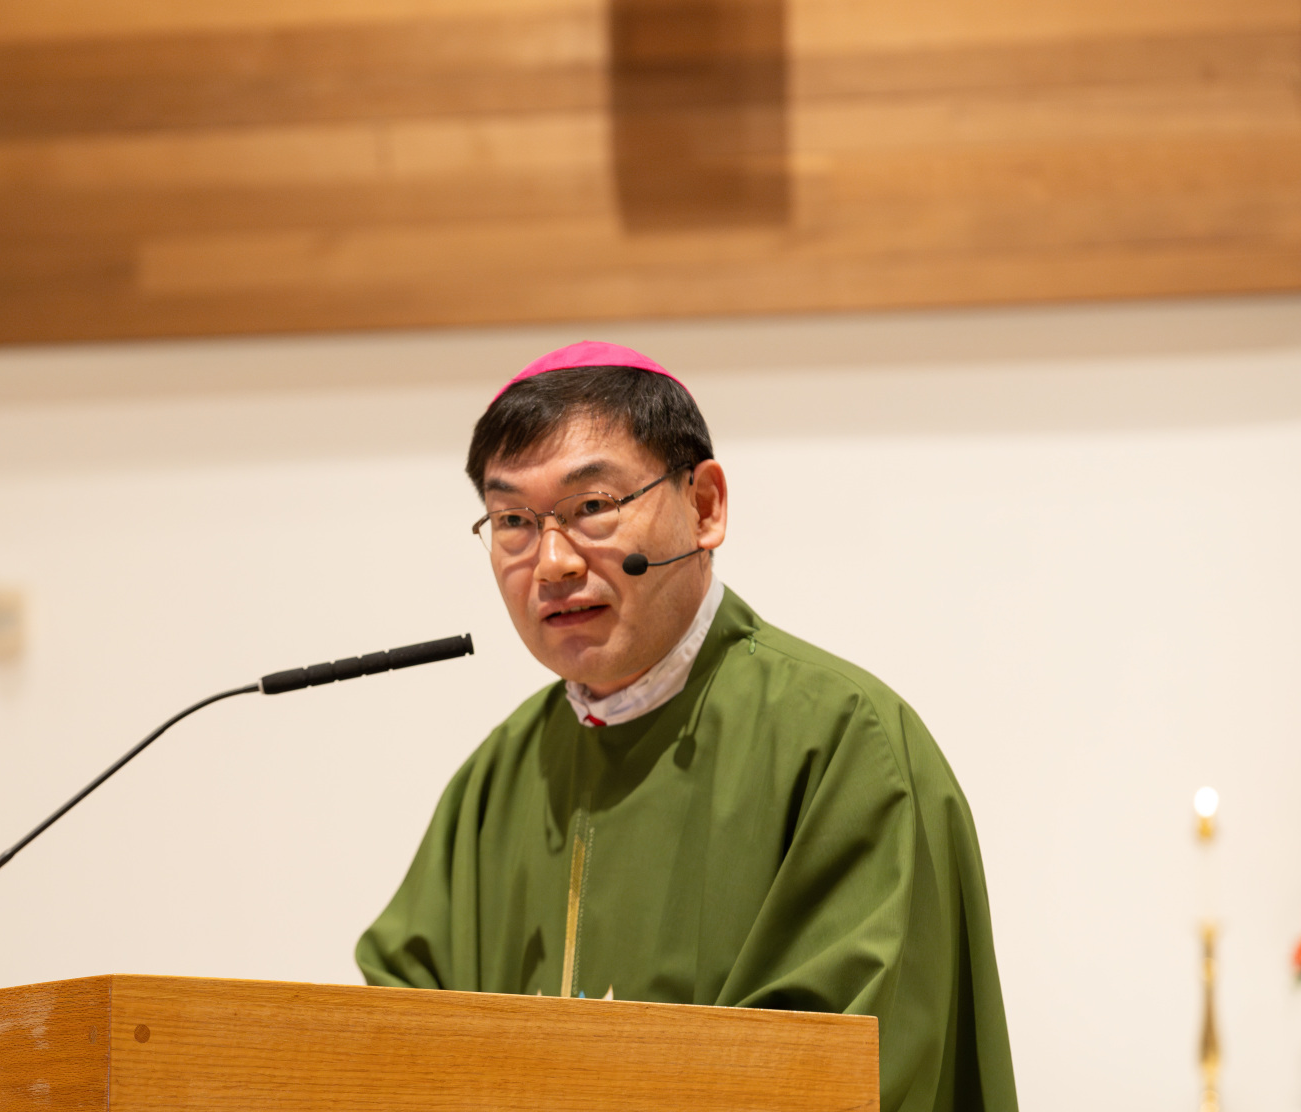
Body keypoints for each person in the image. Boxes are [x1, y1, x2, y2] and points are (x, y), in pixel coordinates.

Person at [356, 341, 1017, 1112]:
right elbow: (394, 1041)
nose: (553, 562)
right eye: (513, 521)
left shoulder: (845, 742)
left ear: (705, 506)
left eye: (592, 507)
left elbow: (837, 1069)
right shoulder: (498, 778)